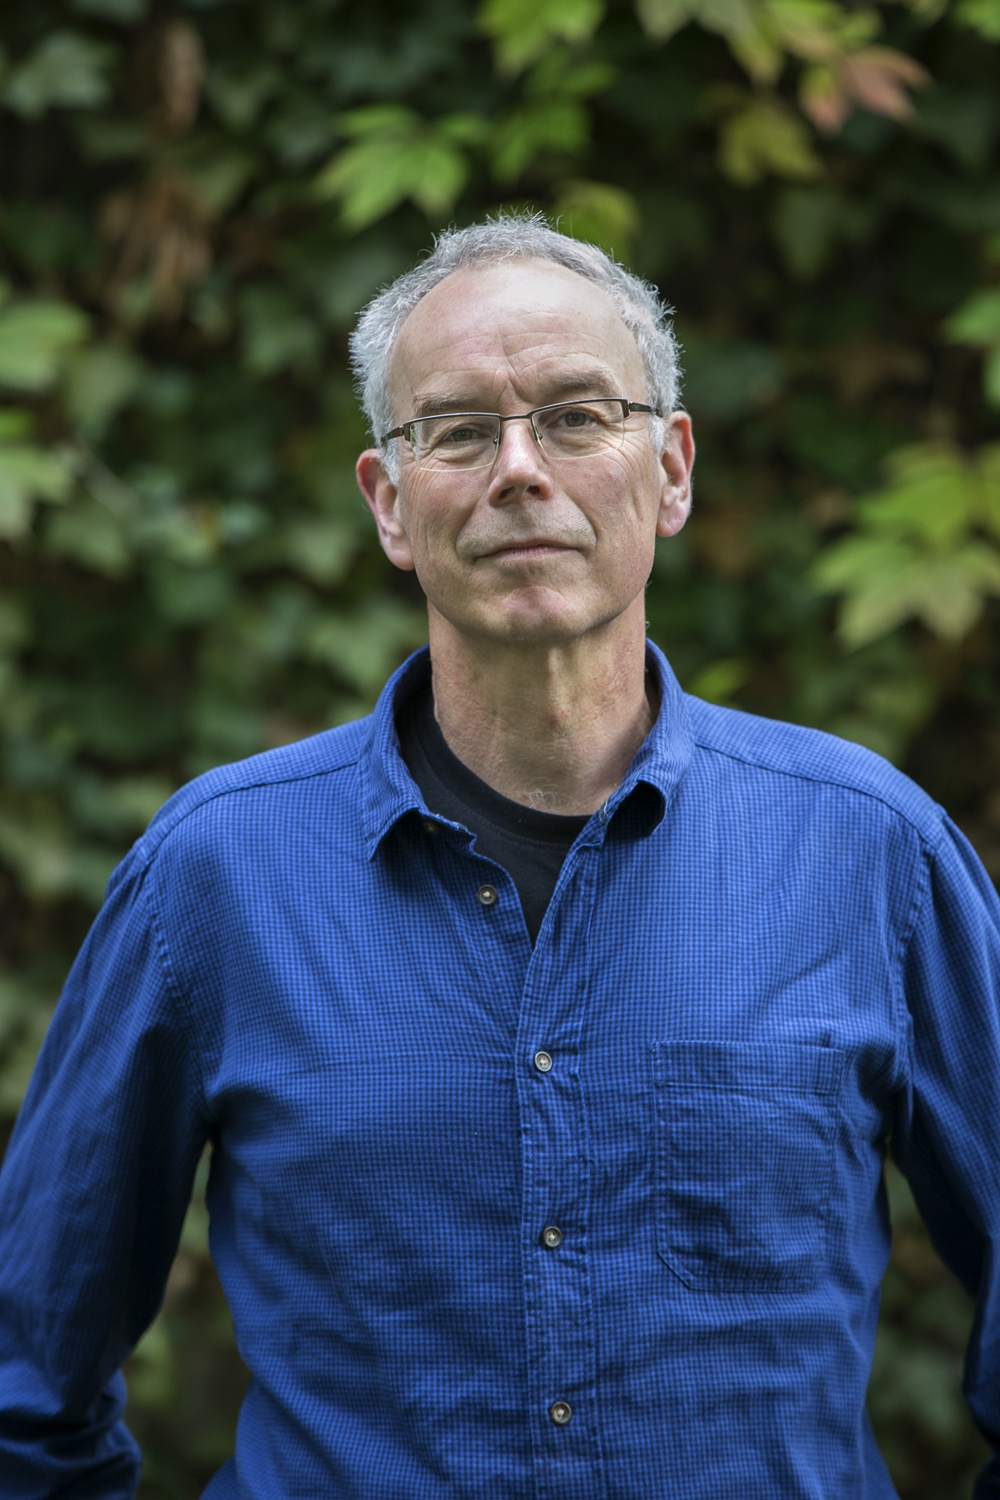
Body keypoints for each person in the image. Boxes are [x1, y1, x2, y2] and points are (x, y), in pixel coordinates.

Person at [0, 213, 998, 1500]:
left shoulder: (873, 854)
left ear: (672, 471)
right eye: (460, 430)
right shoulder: (213, 878)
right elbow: (25, 1390)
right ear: (389, 503)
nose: (519, 469)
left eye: (577, 416)